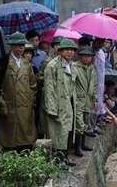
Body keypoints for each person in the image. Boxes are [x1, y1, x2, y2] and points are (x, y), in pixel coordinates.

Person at [0, 32, 37, 153]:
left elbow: (33, 85)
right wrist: (2, 105)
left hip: (25, 107)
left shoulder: (26, 63)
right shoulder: (4, 62)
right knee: (10, 142)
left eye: (23, 45)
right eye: (18, 45)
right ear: (11, 46)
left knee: (26, 142)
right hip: (10, 108)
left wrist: (30, 101)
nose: (21, 47)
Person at [44, 39, 78, 169]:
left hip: (68, 102)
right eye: (66, 50)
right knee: (58, 131)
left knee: (67, 131)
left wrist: (74, 99)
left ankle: (65, 156)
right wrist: (51, 108)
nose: (69, 52)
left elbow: (72, 85)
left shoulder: (72, 65)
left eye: (72, 50)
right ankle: (59, 159)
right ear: (60, 51)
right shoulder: (52, 65)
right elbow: (49, 88)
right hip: (58, 103)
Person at [37, 35, 66, 139]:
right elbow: (40, 77)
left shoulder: (67, 62)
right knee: (45, 121)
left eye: (60, 45)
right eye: (56, 45)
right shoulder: (47, 61)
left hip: (63, 95)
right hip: (49, 93)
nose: (58, 47)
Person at [74, 46, 97, 157]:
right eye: (85, 56)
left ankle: (83, 143)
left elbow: (94, 84)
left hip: (88, 99)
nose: (87, 58)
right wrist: (74, 99)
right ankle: (77, 146)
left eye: (89, 56)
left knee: (86, 121)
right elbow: (71, 84)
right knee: (79, 123)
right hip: (79, 98)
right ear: (81, 56)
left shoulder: (91, 68)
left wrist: (95, 98)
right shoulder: (75, 67)